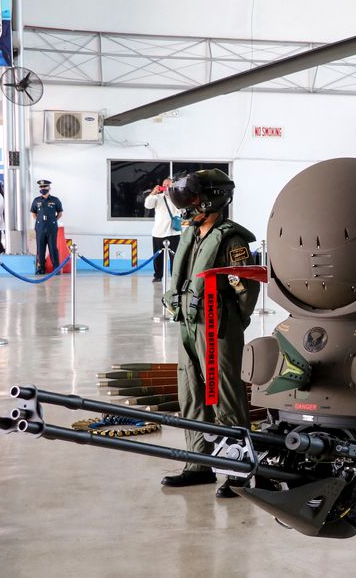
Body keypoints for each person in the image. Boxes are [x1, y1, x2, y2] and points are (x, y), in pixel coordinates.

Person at [160, 169, 259, 498]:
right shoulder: (193, 234)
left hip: (217, 324)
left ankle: (237, 470)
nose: (186, 205)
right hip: (188, 325)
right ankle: (198, 463)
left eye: (193, 199)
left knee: (224, 396)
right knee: (191, 392)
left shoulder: (232, 240)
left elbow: (246, 291)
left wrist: (229, 325)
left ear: (213, 200)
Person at [143, 178, 182, 283]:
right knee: (158, 257)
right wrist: (153, 193)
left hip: (174, 232)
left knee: (175, 257)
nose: (166, 187)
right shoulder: (158, 197)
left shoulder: (178, 197)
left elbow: (183, 209)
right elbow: (148, 205)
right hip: (158, 232)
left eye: (169, 185)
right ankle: (158, 275)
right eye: (164, 185)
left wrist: (174, 195)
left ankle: (175, 276)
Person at [29, 179, 63, 274]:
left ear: (49, 188)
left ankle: (56, 268)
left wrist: (53, 220)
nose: (43, 188)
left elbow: (60, 213)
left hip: (51, 228)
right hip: (40, 228)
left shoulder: (55, 200)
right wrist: (40, 221)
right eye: (41, 187)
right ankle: (41, 268)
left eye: (45, 187)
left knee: (53, 248)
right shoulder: (36, 200)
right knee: (40, 249)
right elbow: (33, 213)